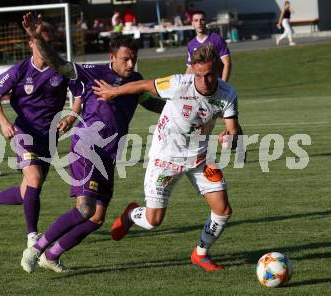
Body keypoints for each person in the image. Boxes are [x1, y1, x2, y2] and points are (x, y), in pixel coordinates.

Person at [19, 12, 165, 273]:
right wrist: (35, 37)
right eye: (125, 59)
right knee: (85, 209)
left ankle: (51, 255)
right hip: (86, 147)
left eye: (134, 58)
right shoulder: (93, 73)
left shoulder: (135, 81)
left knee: (96, 218)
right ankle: (35, 248)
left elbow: (152, 103)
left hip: (108, 155)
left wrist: (183, 106)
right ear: (112, 57)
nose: (130, 63)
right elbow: (60, 65)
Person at [93, 44, 243, 272]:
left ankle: (200, 253)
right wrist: (113, 92)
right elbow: (143, 85)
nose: (204, 81)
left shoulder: (227, 94)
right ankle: (132, 214)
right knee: (153, 221)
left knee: (223, 211)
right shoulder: (178, 84)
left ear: (218, 69)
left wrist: (230, 140)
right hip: (165, 158)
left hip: (200, 159)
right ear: (192, 70)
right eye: (199, 75)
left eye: (210, 75)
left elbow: (235, 133)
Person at [0, 22, 75, 248]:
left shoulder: (63, 70)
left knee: (27, 190)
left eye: (49, 44)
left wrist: (71, 117)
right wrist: (4, 122)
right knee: (35, 179)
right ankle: (32, 237)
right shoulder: (20, 70)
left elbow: (80, 95)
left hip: (48, 137)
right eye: (41, 44)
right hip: (24, 132)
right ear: (31, 44)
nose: (46, 49)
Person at [186, 10, 231, 82]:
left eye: (202, 20)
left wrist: (223, 84)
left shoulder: (217, 39)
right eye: (196, 20)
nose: (199, 23)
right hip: (200, 86)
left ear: (206, 21)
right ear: (192, 24)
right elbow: (190, 68)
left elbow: (227, 63)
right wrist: (184, 84)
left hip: (216, 84)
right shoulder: (191, 45)